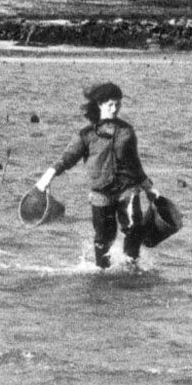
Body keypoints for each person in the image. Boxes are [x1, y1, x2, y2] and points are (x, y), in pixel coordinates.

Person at [34, 82, 159, 271]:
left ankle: (131, 268)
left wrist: (148, 187)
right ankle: (102, 273)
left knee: (134, 228)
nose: (115, 109)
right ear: (100, 104)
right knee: (103, 238)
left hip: (127, 188)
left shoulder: (127, 131)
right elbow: (66, 159)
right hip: (101, 193)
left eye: (118, 104)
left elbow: (135, 163)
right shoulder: (86, 135)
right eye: (110, 105)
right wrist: (47, 177)